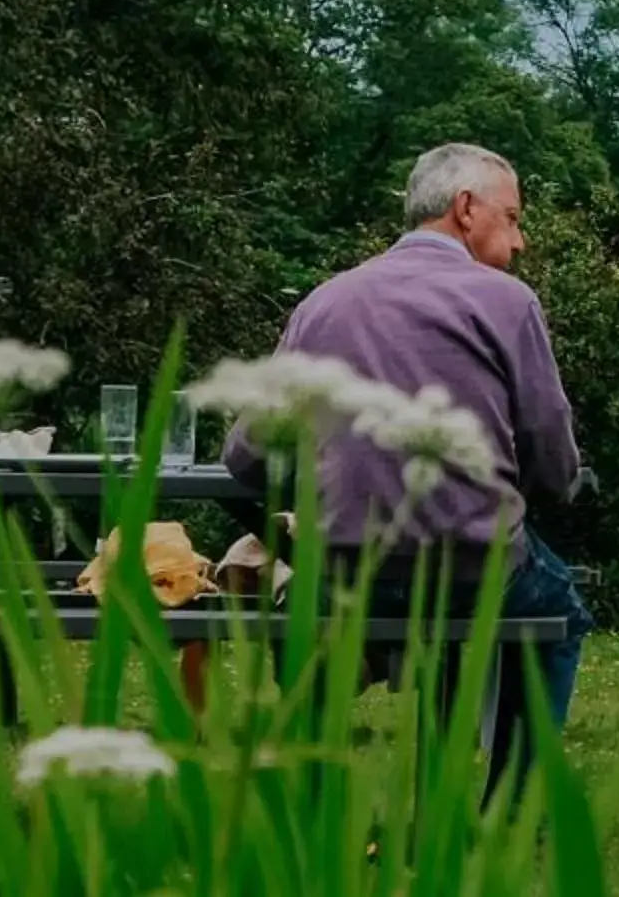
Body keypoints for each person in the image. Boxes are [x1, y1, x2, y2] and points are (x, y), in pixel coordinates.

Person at [222, 141, 594, 741]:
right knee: (561, 614)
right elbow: (552, 461)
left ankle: (310, 803)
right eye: (514, 219)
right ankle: (513, 814)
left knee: (305, 608)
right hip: (472, 568)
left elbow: (245, 455)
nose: (520, 241)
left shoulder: (324, 303)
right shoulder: (508, 302)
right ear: (467, 208)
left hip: (347, 569)